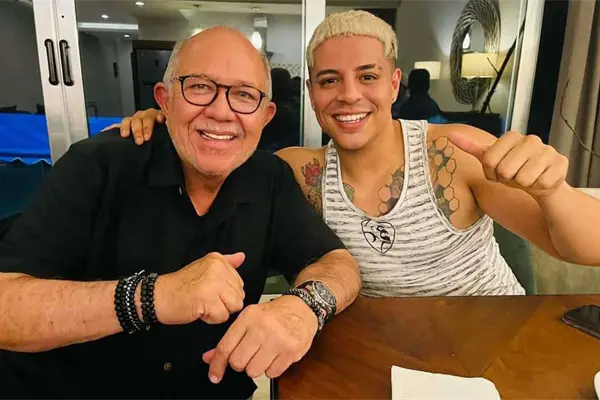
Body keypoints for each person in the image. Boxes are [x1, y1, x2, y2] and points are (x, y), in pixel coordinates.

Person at [116, 10, 600, 298]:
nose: (349, 95)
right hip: (383, 356)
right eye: (330, 80)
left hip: (493, 338)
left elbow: (584, 250)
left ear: (393, 84)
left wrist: (553, 192)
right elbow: (215, 156)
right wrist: (169, 122)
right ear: (311, 92)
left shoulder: (453, 151)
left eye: (368, 76)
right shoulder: (296, 171)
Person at [0, 27, 360, 399]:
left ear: (265, 116)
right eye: (200, 87)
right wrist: (151, 296)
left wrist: (304, 307)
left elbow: (337, 263)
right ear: (165, 99)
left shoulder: (269, 178)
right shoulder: (97, 166)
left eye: (243, 94)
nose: (221, 111)